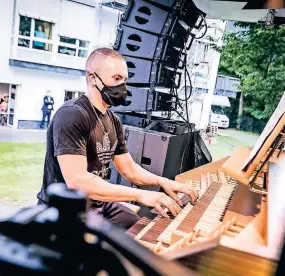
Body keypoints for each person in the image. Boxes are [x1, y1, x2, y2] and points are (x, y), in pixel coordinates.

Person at [37, 48, 198, 229]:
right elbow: (77, 181)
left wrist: (163, 182)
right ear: (92, 78)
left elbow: (129, 169)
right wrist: (139, 195)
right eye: (116, 78)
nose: (123, 86)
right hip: (64, 213)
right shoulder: (72, 114)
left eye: (125, 80)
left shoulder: (113, 121)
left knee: (143, 230)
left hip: (97, 205)